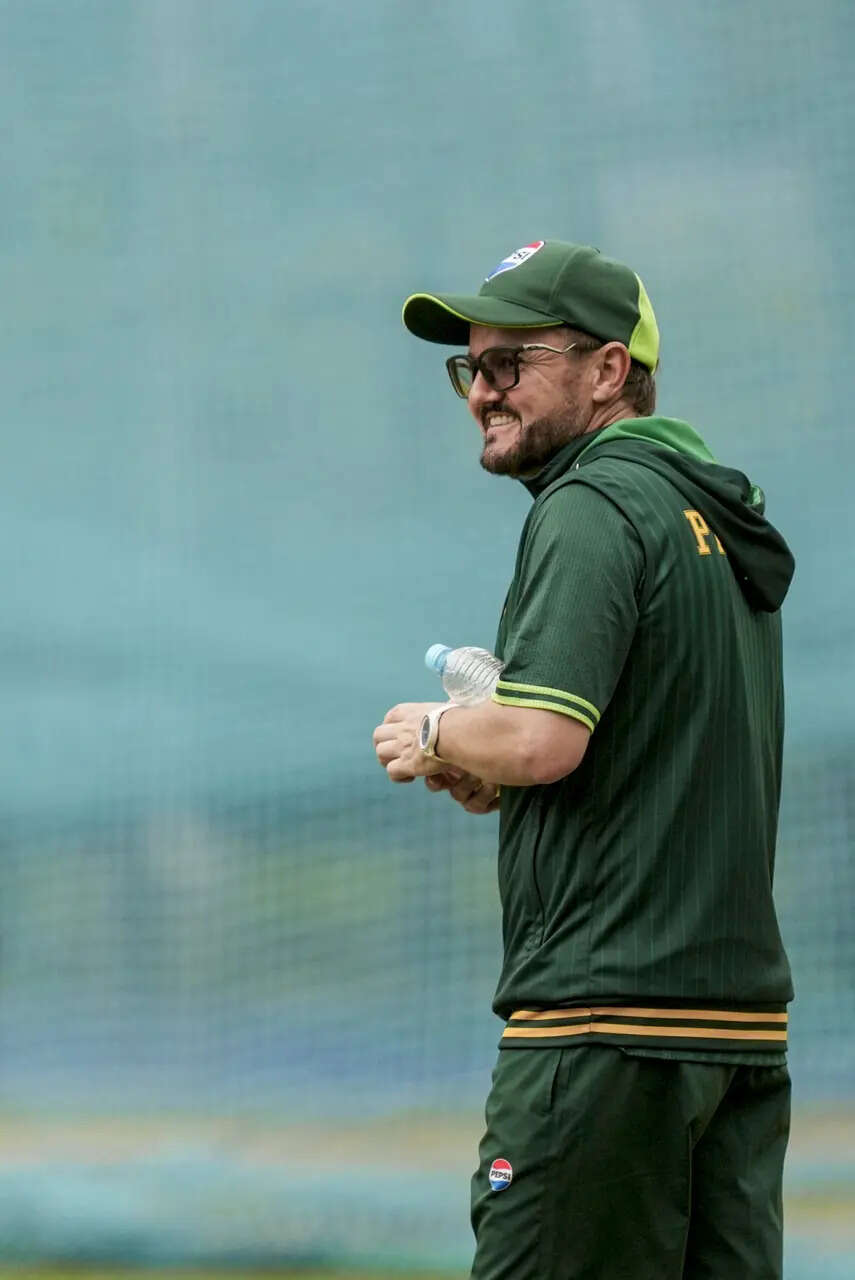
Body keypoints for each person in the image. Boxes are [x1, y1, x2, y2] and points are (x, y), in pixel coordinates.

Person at [372, 240, 795, 1278]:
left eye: (511, 362)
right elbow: (619, 754)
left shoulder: (591, 505)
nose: (482, 393)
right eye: (471, 368)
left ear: (609, 371)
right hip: (735, 1033)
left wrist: (433, 731)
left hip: (603, 1029)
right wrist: (490, 766)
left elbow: (540, 738)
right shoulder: (708, 514)